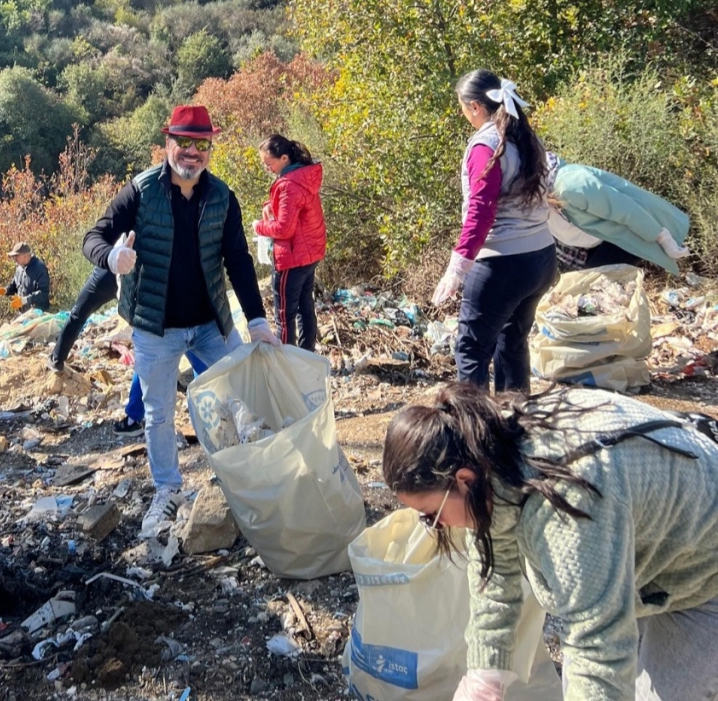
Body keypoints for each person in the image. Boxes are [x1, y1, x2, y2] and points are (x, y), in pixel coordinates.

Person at [382, 382, 718, 701]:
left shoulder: (569, 506)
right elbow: (494, 576)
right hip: (643, 546)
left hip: (704, 566)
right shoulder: (489, 456)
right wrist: (485, 676)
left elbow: (597, 647)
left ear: (463, 480)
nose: (436, 526)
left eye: (431, 515)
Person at [82, 104, 279, 536]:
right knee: (158, 415)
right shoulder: (140, 191)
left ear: (209, 148)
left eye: (201, 144)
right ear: (168, 143)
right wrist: (112, 257)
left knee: (240, 394)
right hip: (156, 327)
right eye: (183, 143)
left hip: (211, 323)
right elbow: (92, 238)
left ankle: (247, 479)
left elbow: (239, 262)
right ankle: (168, 489)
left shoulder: (221, 196)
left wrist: (258, 319)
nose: (192, 152)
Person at [432, 70, 556, 393]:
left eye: (462, 108)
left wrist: (456, 269)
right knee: (512, 342)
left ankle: (477, 435)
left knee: (472, 349)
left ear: (475, 107)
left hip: (502, 262)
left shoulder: (486, 147)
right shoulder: (527, 138)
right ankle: (516, 425)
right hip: (541, 258)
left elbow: (481, 212)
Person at [46, 265, 207, 437]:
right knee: (180, 338)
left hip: (129, 272)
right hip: (148, 274)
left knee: (154, 347)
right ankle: (215, 402)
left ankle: (134, 418)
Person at [544, 152, 691, 273]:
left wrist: (663, 238)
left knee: (595, 295)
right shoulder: (534, 200)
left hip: (617, 240)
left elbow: (626, 211)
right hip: (585, 249)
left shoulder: (570, 185)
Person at [252, 134, 327, 351]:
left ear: (284, 158)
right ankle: (306, 356)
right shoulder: (303, 176)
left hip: (292, 257)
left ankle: (285, 363)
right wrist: (270, 206)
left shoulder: (287, 185)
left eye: (269, 163)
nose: (267, 168)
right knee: (306, 307)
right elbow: (294, 208)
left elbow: (284, 228)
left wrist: (258, 226)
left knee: (284, 316)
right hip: (310, 253)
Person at [0, 242, 50, 312]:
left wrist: (25, 300)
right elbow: (14, 286)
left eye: (16, 255)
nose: (14, 258)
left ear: (25, 256)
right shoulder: (19, 268)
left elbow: (43, 294)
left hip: (38, 314)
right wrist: (4, 290)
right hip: (23, 313)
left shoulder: (40, 268)